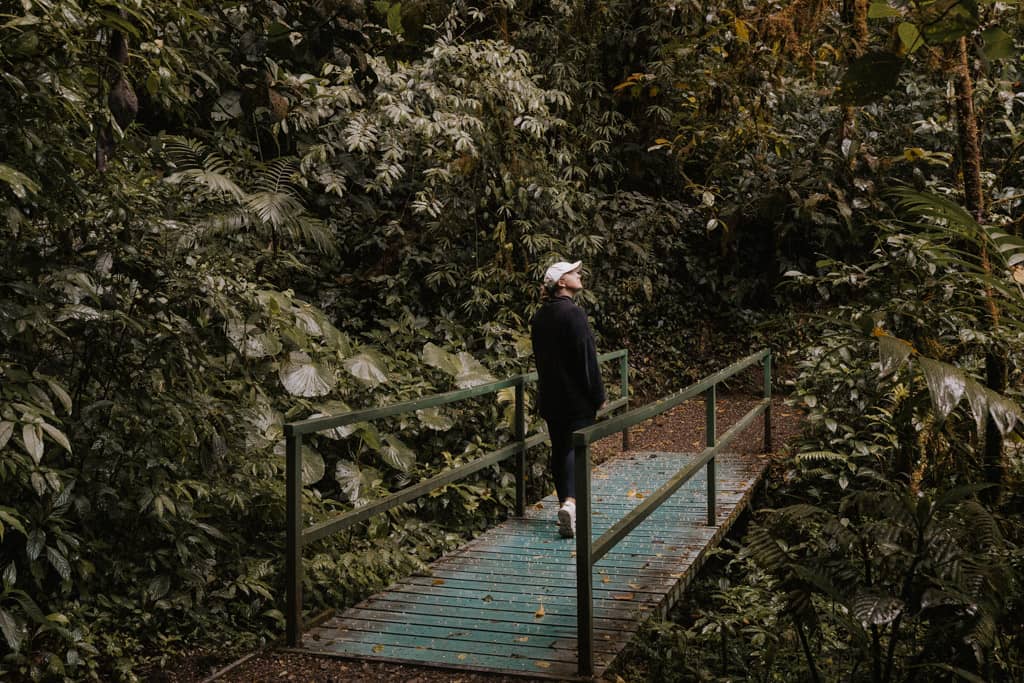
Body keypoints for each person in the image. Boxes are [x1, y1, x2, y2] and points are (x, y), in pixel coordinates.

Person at [530, 260, 606, 538]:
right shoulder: (573, 314)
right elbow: (586, 360)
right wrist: (598, 395)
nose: (579, 275)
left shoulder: (539, 317)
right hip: (576, 399)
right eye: (574, 273)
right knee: (576, 450)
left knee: (560, 450)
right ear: (562, 282)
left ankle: (565, 505)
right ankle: (572, 505)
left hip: (551, 398)